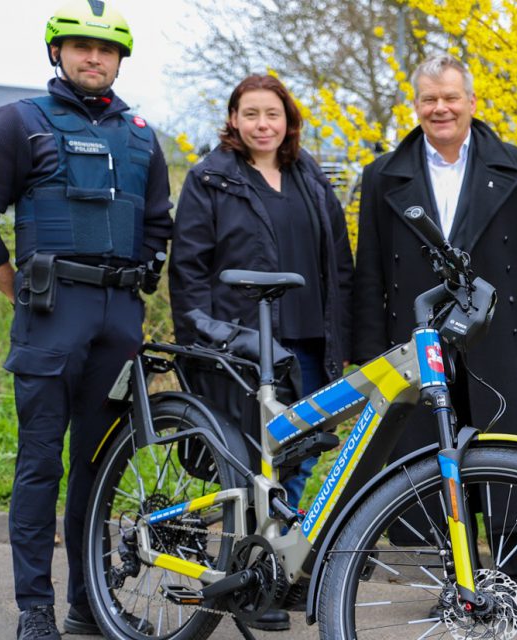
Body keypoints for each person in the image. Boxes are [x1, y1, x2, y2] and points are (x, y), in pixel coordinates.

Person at [0, 2, 173, 638]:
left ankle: (90, 604)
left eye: (107, 50)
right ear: (57, 52)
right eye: (82, 46)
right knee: (40, 465)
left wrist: (138, 290)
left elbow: (159, 226)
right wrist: (16, 289)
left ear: (120, 59)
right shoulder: (18, 123)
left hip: (119, 321)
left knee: (97, 465)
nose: (95, 57)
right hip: (51, 313)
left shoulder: (142, 135)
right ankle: (35, 609)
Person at [351, 54, 517, 631]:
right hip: (416, 339)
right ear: (415, 105)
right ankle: (456, 584)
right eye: (428, 99)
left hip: (501, 336)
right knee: (429, 458)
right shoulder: (382, 175)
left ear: (471, 101)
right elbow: (368, 267)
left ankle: (515, 588)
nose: (439, 109)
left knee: (509, 455)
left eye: (450, 98)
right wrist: (371, 350)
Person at [168, 73, 354, 630]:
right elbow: (189, 268)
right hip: (244, 342)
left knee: (296, 461)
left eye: (271, 113)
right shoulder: (210, 179)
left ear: (288, 119)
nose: (262, 124)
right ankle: (255, 583)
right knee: (253, 465)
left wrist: (342, 333)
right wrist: (201, 339)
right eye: (250, 114)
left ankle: (277, 572)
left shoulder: (309, 175)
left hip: (308, 340)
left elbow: (338, 261)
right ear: (234, 120)